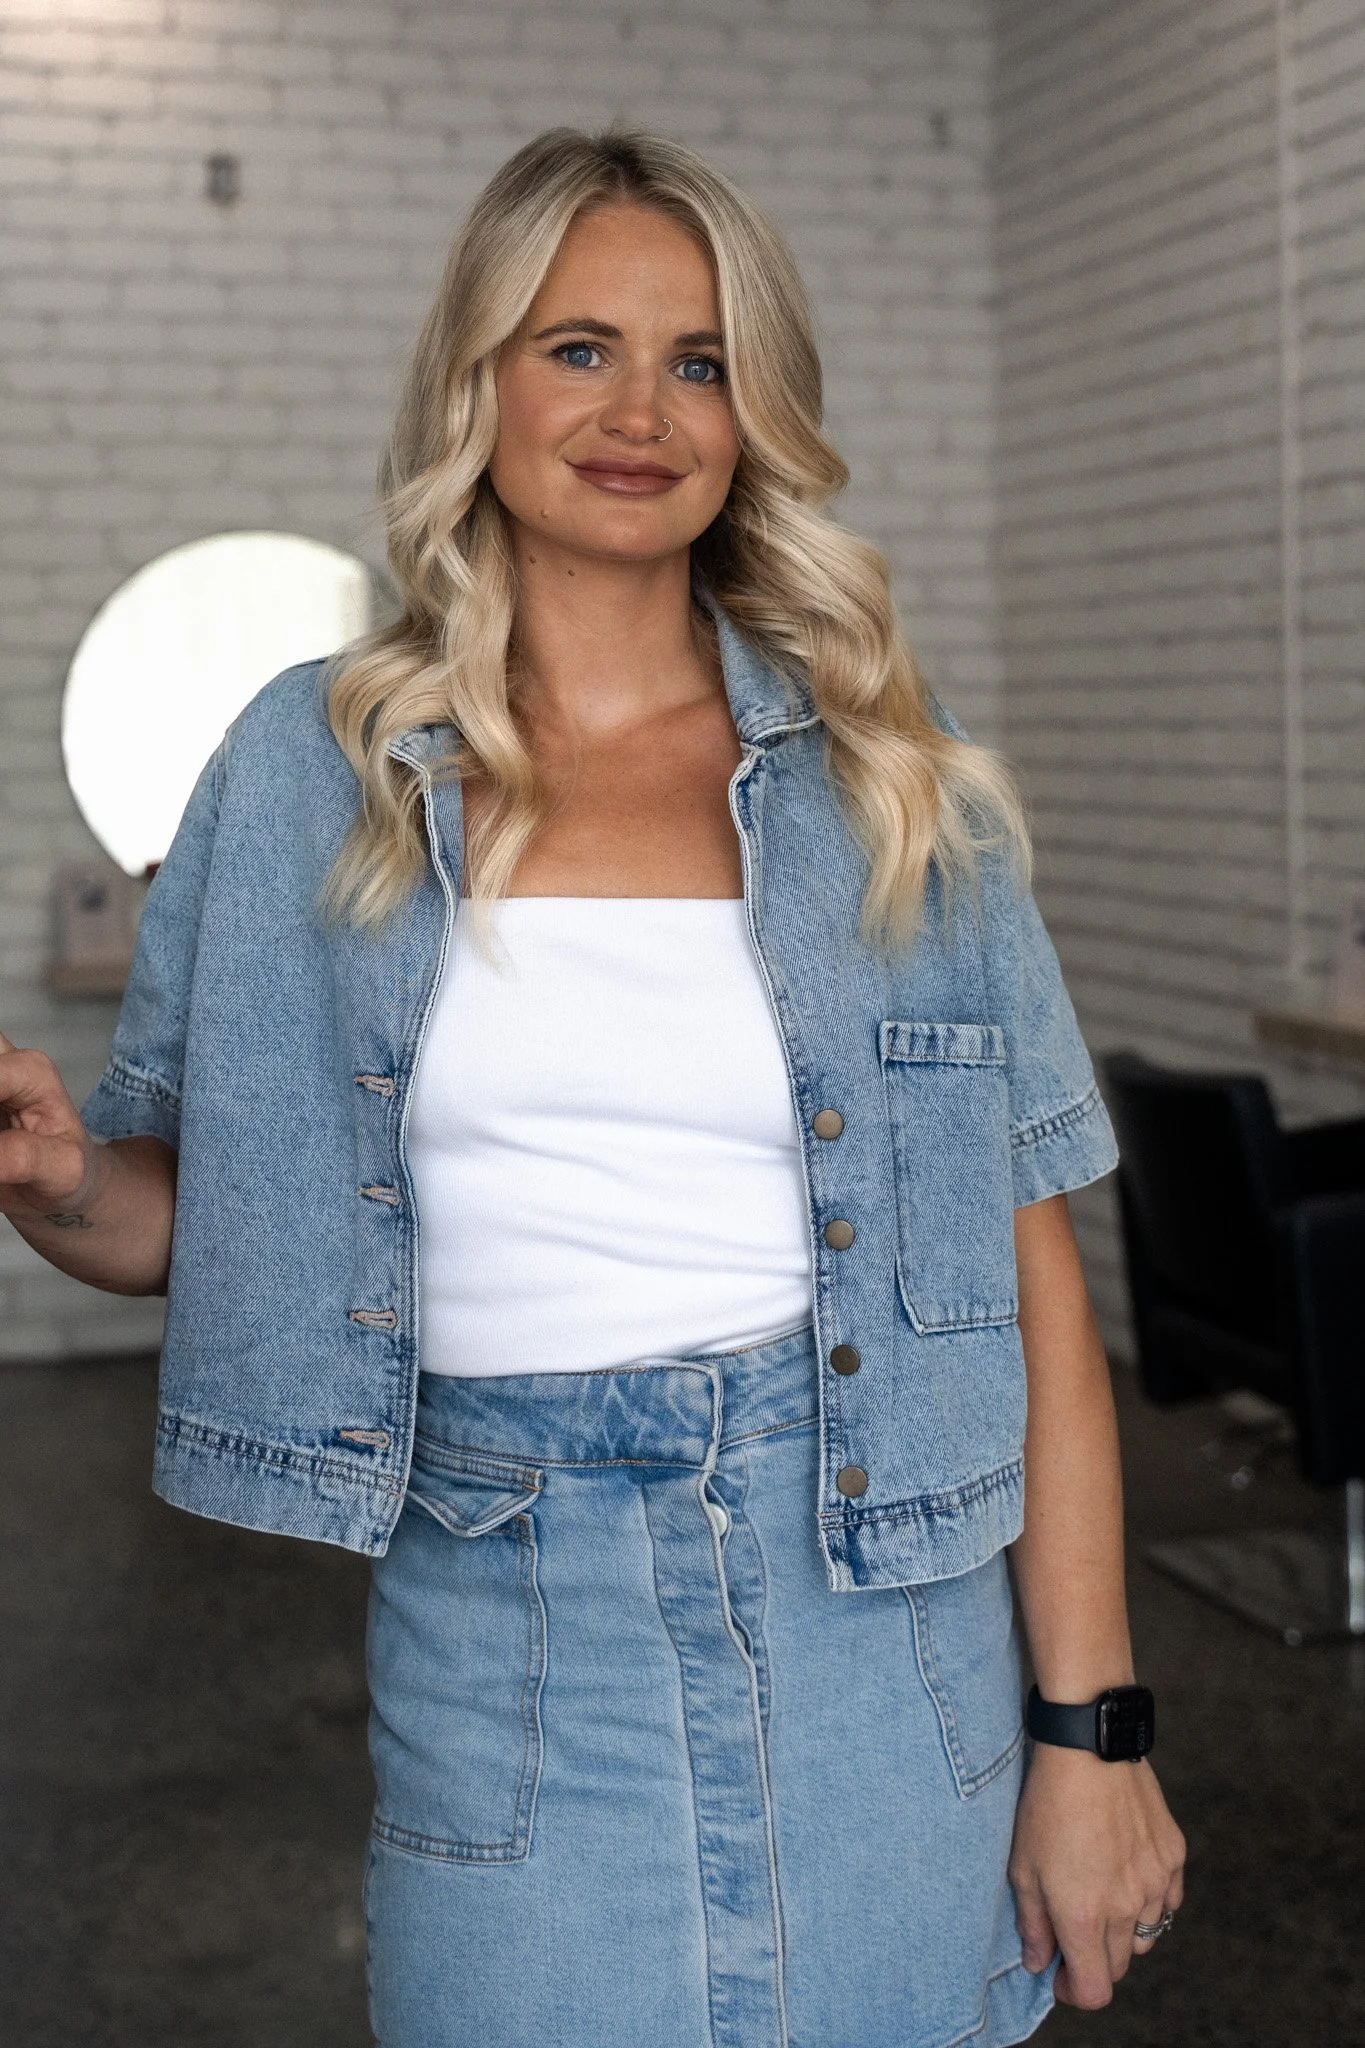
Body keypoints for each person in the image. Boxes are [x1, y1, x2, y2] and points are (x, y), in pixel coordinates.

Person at [0, 129, 1183, 2048]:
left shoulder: (891, 775)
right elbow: (194, 1220)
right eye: (579, 349)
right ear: (477, 380)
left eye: (700, 361)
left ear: (757, 415)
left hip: (883, 1622)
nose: (642, 411)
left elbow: (1029, 1279)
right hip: (509, 1631)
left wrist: (1093, 1734)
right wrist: (59, 1185)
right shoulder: (310, 770)